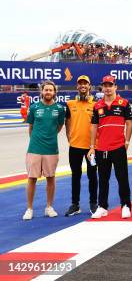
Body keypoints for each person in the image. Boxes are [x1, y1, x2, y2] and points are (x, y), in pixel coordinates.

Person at [89, 75, 132, 219]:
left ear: (115, 86)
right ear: (102, 87)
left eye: (110, 85)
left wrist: (127, 142)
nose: (107, 88)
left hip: (119, 146)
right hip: (102, 148)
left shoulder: (124, 103)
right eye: (105, 85)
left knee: (122, 178)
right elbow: (94, 126)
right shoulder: (97, 105)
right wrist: (92, 146)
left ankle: (125, 205)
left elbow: (129, 123)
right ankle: (102, 206)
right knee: (103, 179)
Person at [23, 81, 65, 220]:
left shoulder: (59, 108)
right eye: (46, 90)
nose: (48, 92)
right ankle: (29, 209)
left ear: (54, 92)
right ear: (41, 91)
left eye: (50, 90)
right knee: (32, 178)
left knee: (51, 178)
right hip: (34, 148)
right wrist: (36, 140)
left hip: (51, 149)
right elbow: (31, 127)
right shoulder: (34, 107)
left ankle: (49, 207)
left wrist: (49, 136)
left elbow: (59, 126)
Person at [64, 75, 98, 217]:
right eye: (80, 84)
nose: (83, 86)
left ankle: (93, 203)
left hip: (91, 148)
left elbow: (99, 125)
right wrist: (70, 138)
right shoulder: (70, 104)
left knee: (92, 176)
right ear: (77, 87)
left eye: (85, 84)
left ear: (89, 86)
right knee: (75, 176)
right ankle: (75, 204)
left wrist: (95, 145)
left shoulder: (96, 104)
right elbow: (66, 122)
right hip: (75, 146)